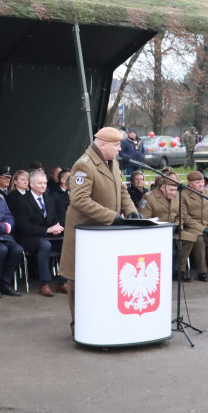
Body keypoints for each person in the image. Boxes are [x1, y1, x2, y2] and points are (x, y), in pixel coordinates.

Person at [60, 127, 140, 329]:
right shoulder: (84, 165)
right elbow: (79, 200)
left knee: (103, 280)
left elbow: (121, 188)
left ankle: (103, 322)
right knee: (80, 281)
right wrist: (111, 216)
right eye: (116, 145)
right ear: (103, 144)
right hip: (85, 233)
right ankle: (80, 327)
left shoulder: (111, 162)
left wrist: (130, 210)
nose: (120, 149)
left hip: (105, 234)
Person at [14, 170, 66, 296]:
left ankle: (63, 282)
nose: (43, 186)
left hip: (48, 236)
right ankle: (44, 284)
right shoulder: (22, 200)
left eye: (45, 183)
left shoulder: (49, 199)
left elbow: (53, 219)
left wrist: (57, 227)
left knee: (67, 243)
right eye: (40, 183)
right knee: (45, 245)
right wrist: (47, 230)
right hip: (29, 238)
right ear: (31, 184)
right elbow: (23, 226)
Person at [137, 169, 195, 281]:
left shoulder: (177, 196)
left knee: (190, 238)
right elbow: (144, 219)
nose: (174, 192)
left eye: (175, 190)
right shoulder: (149, 197)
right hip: (156, 232)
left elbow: (182, 214)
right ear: (162, 187)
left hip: (174, 230)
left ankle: (179, 270)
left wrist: (178, 225)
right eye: (171, 190)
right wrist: (161, 228)